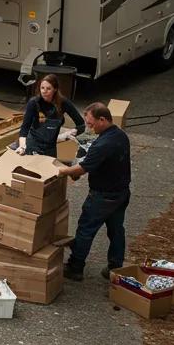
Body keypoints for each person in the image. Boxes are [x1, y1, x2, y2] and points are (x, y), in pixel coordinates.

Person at [55, 103, 132, 282]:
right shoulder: (120, 135)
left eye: (91, 124)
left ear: (103, 120)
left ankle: (75, 267)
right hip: (121, 193)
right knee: (116, 230)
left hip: (102, 196)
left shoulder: (103, 144)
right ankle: (115, 266)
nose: (89, 128)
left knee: (85, 230)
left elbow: (79, 170)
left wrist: (58, 170)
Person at [16, 73, 85, 158]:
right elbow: (24, 129)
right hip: (33, 145)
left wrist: (69, 134)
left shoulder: (64, 103)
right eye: (42, 88)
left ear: (55, 89)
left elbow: (81, 125)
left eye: (48, 88)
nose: (44, 91)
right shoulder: (33, 103)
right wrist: (22, 146)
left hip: (50, 148)